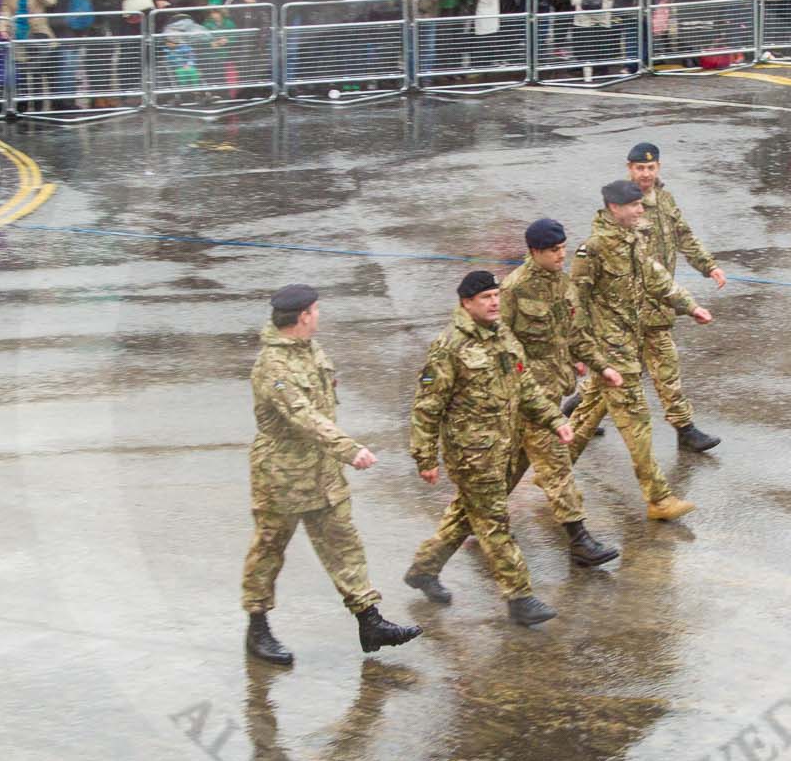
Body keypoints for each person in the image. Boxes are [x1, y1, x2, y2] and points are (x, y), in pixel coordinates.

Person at [241, 283, 417, 665]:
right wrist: (349, 450)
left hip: (322, 473)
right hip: (282, 477)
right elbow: (304, 417)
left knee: (344, 542)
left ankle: (370, 621)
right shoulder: (273, 366)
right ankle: (257, 629)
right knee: (269, 550)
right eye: (316, 310)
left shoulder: (310, 351)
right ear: (303, 316)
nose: (319, 315)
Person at [408, 270, 575, 627]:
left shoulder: (503, 336)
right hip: (471, 454)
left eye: (496, 295)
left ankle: (423, 569)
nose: (494, 302)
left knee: (467, 515)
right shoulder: (449, 347)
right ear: (466, 303)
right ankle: (519, 597)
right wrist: (425, 457)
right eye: (485, 297)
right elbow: (427, 406)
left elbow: (525, 386)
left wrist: (554, 419)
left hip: (503, 446)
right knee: (494, 522)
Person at [567, 179, 708, 522]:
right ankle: (658, 498)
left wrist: (690, 306)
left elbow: (655, 278)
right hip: (609, 350)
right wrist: (578, 352)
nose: (641, 210)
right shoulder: (594, 249)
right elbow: (574, 303)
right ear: (615, 208)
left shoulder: (632, 240)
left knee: (585, 419)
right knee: (637, 421)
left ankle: (549, 471)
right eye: (634, 205)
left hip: (628, 343)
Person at [619, 142, 727, 452]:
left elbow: (684, 236)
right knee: (629, 371)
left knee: (657, 368)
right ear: (629, 168)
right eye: (640, 168)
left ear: (658, 168)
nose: (645, 174)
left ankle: (684, 429)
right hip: (632, 307)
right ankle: (578, 407)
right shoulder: (622, 205)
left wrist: (709, 267)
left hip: (659, 304)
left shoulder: (665, 199)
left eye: (651, 168)